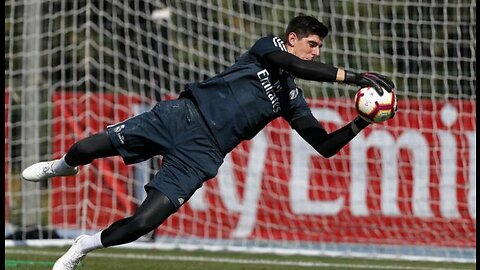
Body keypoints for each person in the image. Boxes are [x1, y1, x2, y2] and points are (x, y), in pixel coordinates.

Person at [21, 15, 395, 270]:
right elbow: (297, 65)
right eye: (313, 45)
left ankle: (82, 246)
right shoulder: (267, 48)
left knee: (143, 223)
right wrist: (352, 76)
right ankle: (61, 167)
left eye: (320, 49)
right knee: (87, 149)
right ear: (292, 39)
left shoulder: (292, 98)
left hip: (204, 154)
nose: (316, 53)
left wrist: (361, 121)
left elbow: (324, 145)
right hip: (182, 116)